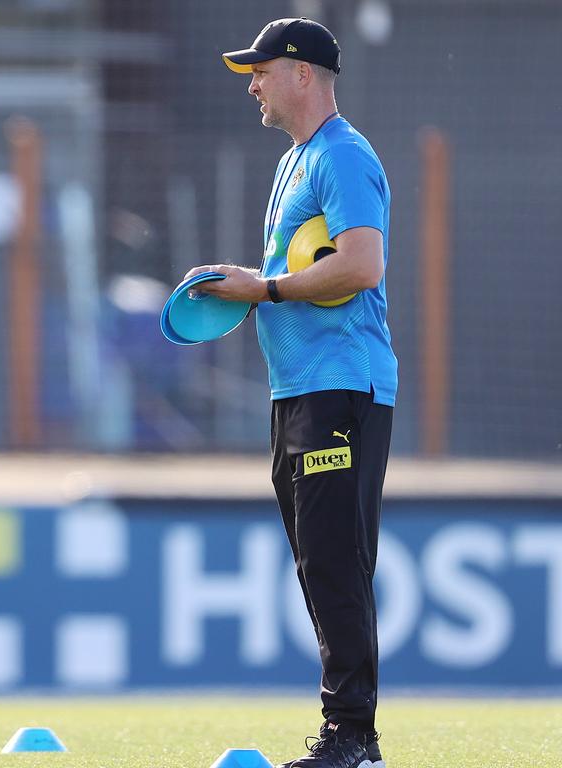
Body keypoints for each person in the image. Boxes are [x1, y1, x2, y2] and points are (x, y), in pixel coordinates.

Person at [187, 18, 396, 768]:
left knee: (335, 559)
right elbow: (294, 272)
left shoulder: (342, 156)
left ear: (303, 74)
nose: (253, 83)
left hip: (342, 387)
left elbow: (362, 265)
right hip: (299, 389)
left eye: (262, 70)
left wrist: (266, 287)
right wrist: (240, 285)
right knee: (319, 560)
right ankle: (350, 733)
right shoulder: (295, 162)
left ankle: (351, 737)